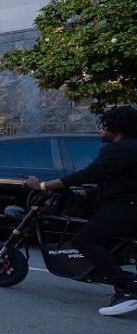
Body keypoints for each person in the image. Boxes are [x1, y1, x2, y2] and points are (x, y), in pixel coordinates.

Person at [24, 105, 137, 316]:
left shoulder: (120, 148)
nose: (100, 131)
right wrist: (89, 194)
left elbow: (92, 173)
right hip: (125, 204)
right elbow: (120, 179)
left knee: (84, 241)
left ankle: (130, 289)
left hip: (126, 207)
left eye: (103, 126)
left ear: (117, 128)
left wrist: (43, 186)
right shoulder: (131, 148)